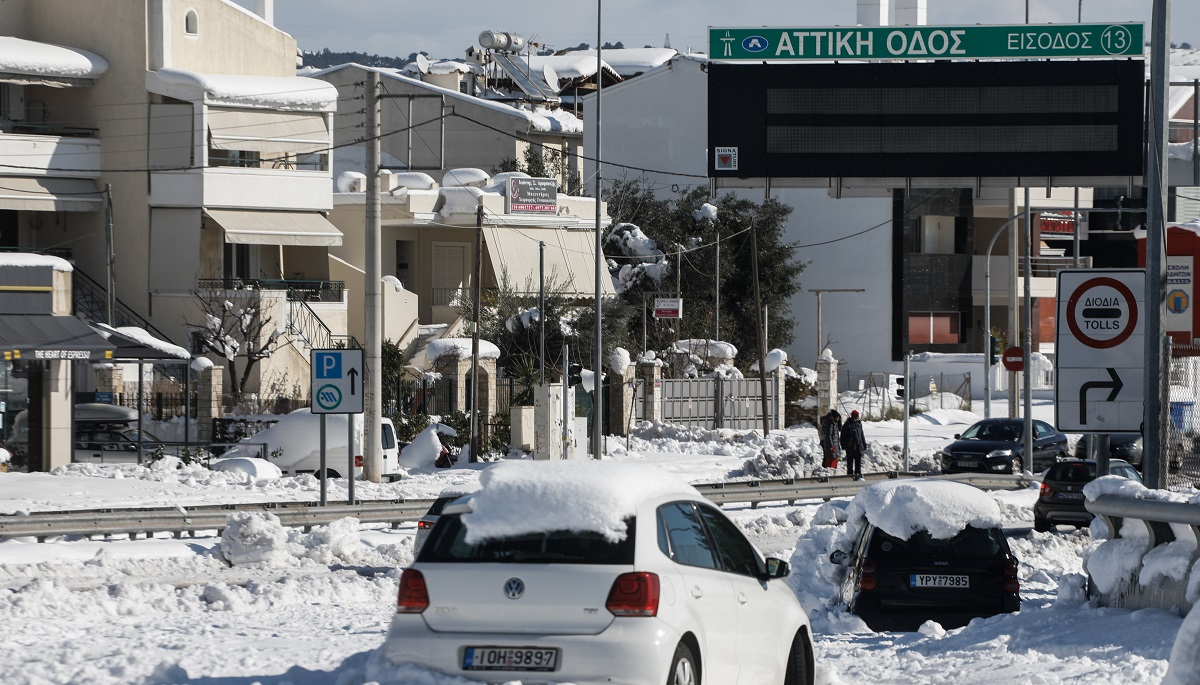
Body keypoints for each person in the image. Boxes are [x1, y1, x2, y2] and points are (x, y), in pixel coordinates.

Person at [841, 410, 868, 480]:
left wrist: (864, 444)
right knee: (850, 466)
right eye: (857, 416)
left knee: (858, 466)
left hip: (858, 447)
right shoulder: (847, 425)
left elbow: (861, 435)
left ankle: (858, 478)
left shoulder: (859, 424)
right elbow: (842, 436)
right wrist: (844, 445)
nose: (858, 418)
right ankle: (849, 478)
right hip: (850, 447)